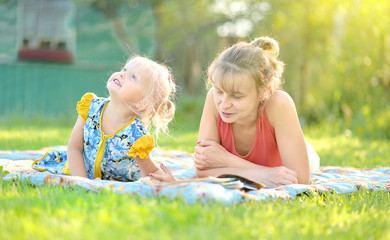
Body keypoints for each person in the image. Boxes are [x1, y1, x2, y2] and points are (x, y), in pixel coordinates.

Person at [192, 37, 317, 188]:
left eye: (237, 95)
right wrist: (261, 174)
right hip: (268, 168)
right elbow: (202, 172)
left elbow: (300, 180)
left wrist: (224, 159)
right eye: (219, 91)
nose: (224, 105)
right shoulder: (213, 98)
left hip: (300, 153)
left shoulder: (279, 103)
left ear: (264, 91)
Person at [32, 56, 176, 182]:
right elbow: (74, 148)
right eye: (124, 69)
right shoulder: (91, 108)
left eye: (133, 77)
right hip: (78, 169)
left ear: (143, 102)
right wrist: (82, 181)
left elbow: (151, 173)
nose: (122, 74)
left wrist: (169, 180)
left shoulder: (136, 137)